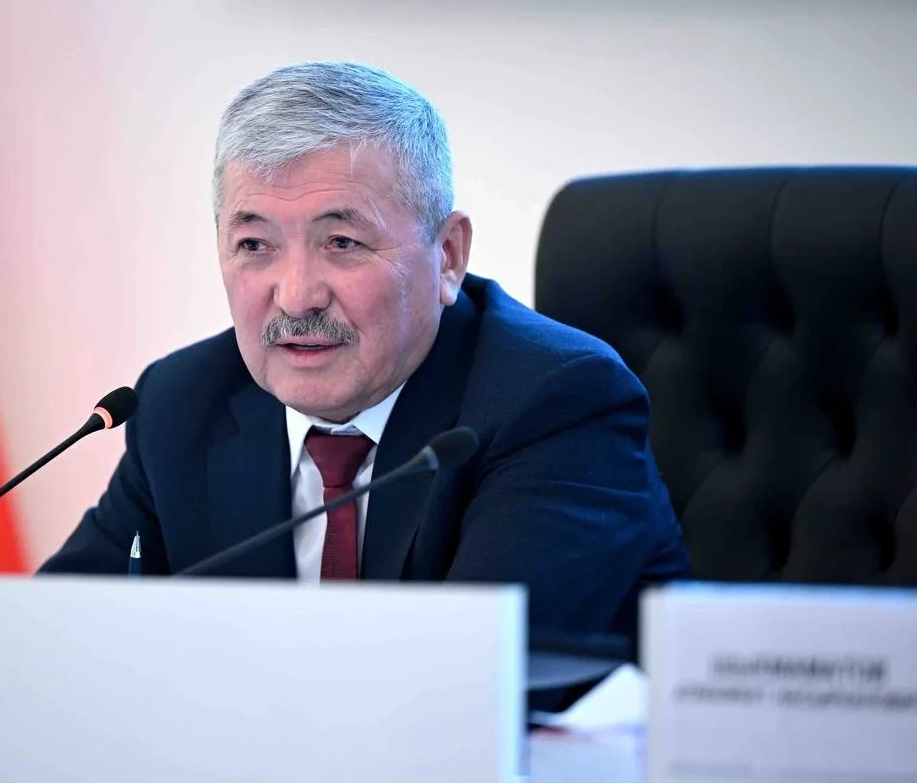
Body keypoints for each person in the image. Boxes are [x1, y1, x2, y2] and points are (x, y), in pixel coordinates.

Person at [39, 61, 688, 639]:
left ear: (448, 256)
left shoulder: (557, 403)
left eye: (342, 243)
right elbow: (52, 638)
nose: (296, 297)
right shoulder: (181, 404)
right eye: (255, 245)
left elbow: (461, 682)